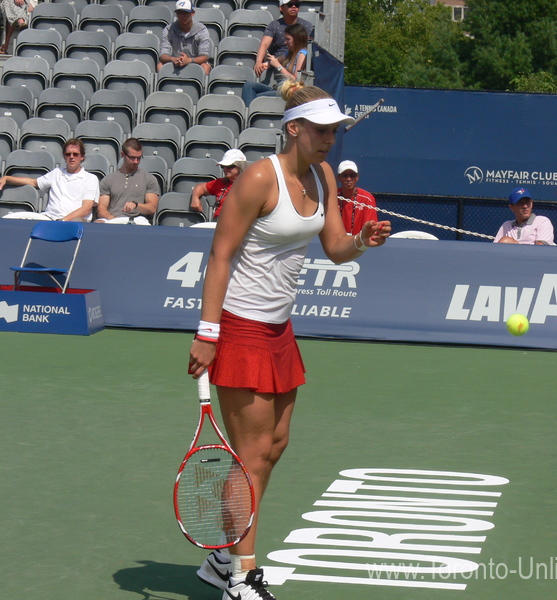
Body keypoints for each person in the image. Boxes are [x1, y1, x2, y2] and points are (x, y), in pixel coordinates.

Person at [188, 79, 391, 600]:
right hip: (240, 328)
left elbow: (337, 248)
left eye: (335, 131)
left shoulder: (323, 176)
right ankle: (242, 576)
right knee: (251, 453)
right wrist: (208, 334)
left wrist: (363, 242)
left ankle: (221, 559)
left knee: (273, 447)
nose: (330, 139)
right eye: (321, 130)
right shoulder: (258, 178)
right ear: (294, 129)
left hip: (280, 331)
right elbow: (220, 256)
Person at [0, 138, 99, 222]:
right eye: (68, 154)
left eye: (75, 154)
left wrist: (64, 220)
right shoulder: (56, 173)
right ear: (64, 156)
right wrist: (7, 178)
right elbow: (33, 182)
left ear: (82, 157)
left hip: (74, 222)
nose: (71, 157)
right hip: (50, 218)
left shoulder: (90, 179)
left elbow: (86, 208)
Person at [242, 23, 308, 107]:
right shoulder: (290, 52)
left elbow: (296, 80)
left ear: (297, 40)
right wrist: (266, 64)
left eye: (288, 39)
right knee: (249, 85)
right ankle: (249, 113)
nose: (285, 42)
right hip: (280, 87)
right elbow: (275, 61)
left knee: (257, 98)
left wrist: (279, 66)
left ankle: (250, 113)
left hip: (288, 91)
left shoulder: (302, 54)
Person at [95, 139, 160, 224]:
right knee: (98, 223)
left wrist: (136, 205)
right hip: (113, 219)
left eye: (139, 158)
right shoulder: (108, 180)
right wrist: (112, 218)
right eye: (132, 158)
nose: (136, 161)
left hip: (137, 219)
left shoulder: (149, 179)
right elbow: (101, 208)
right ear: (123, 154)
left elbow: (152, 208)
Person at [254, 0, 314, 80]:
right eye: (290, 4)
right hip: (278, 61)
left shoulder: (306, 25)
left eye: (297, 5)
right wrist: (259, 62)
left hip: (295, 62)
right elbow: (264, 44)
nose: (294, 7)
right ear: (281, 8)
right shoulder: (274, 25)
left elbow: (308, 47)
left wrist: (278, 65)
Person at [189, 149, 247, 221]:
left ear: (240, 166)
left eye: (229, 166)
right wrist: (195, 197)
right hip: (219, 221)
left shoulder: (250, 184)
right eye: (223, 166)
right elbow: (200, 187)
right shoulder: (220, 182)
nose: (225, 169)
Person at [159, 0, 212, 75]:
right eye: (179, 12)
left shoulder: (202, 30)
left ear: (192, 13)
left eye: (185, 13)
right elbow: (163, 56)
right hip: (176, 62)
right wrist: (173, 59)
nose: (182, 16)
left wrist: (189, 60)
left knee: (205, 67)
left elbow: (204, 57)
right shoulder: (169, 29)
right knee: (160, 65)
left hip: (195, 63)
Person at [336, 159, 378, 236]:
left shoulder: (367, 199)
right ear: (339, 178)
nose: (349, 179)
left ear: (357, 177)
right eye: (345, 175)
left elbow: (371, 228)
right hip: (336, 241)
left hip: (359, 241)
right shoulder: (332, 197)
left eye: (352, 175)